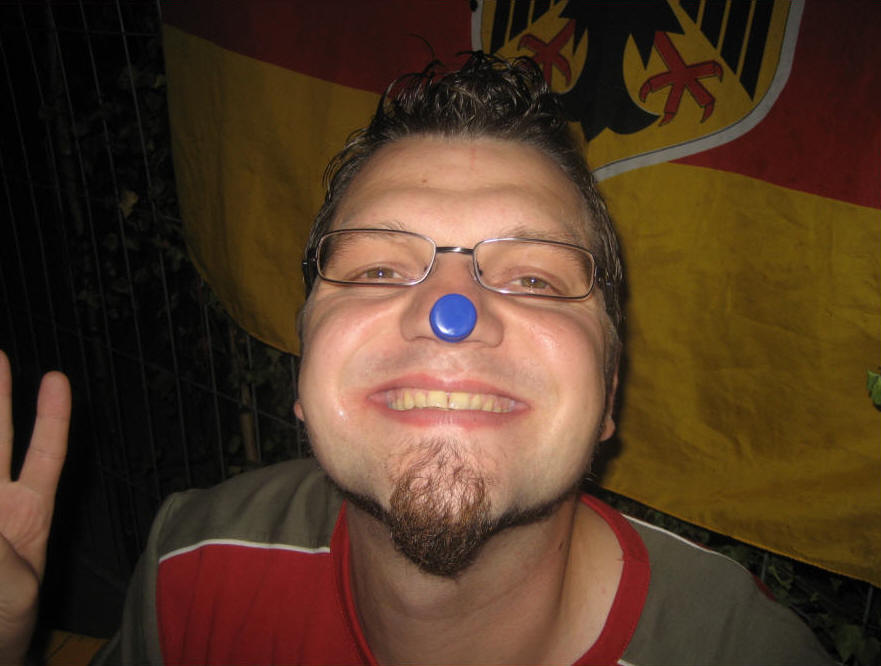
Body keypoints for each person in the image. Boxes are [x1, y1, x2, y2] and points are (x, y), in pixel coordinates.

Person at [1, 53, 833, 665]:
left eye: (535, 278)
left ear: (608, 392)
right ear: (304, 368)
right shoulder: (194, 565)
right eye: (376, 269)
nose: (450, 316)